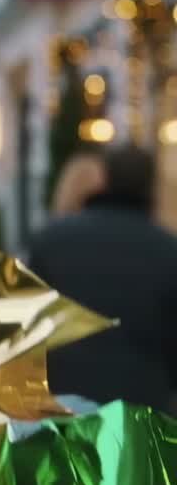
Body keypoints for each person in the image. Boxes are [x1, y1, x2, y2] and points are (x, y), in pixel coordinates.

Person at [30, 143, 177, 410]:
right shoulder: (168, 251)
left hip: (63, 406)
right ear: (152, 186)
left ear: (105, 179)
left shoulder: (52, 242)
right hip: (140, 411)